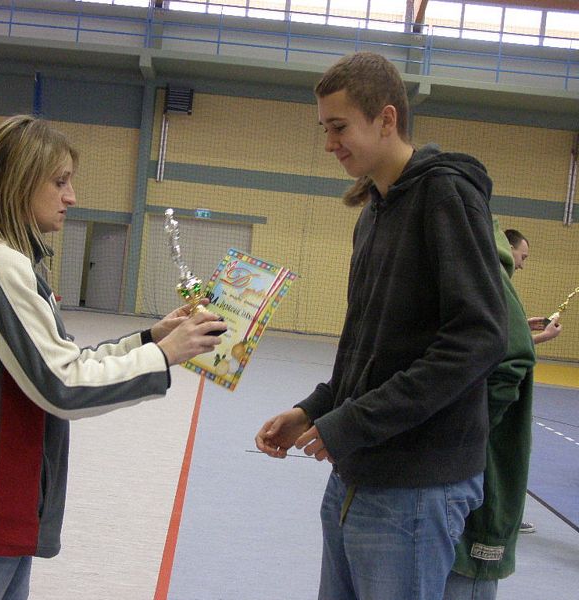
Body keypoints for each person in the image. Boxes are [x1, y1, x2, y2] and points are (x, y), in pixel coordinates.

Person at [0, 115, 226, 600]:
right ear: (20, 183)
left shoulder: (13, 263)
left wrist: (150, 340)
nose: (72, 196)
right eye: (59, 182)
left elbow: (63, 362)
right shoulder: (2, 267)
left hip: (0, 514)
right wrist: (163, 355)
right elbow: (63, 386)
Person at [254, 52, 507, 600]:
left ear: (386, 119)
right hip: (358, 472)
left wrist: (353, 423)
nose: (329, 143)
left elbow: (479, 338)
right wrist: (315, 408)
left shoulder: (446, 195)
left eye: (339, 127)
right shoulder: (372, 211)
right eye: (324, 129)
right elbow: (368, 347)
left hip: (415, 486)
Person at [442, 219, 537, 600]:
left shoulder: (483, 272)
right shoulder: (476, 271)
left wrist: (463, 432)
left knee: (469, 569)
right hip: (464, 465)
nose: (523, 264)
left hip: (481, 468)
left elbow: (513, 359)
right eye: (522, 257)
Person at [504, 227, 563, 536]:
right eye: (522, 257)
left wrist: (522, 326)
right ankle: (503, 519)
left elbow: (503, 333)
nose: (523, 265)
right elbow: (501, 346)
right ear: (508, 248)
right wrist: (542, 337)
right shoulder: (495, 284)